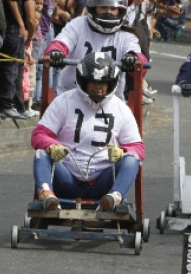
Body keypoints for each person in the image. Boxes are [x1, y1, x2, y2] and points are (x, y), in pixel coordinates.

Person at [30, 52, 144, 212]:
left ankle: (114, 196)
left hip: (103, 179)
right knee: (41, 154)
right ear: (83, 80)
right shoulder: (63, 101)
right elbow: (39, 134)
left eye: (103, 83)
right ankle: (47, 194)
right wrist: (52, 146)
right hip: (67, 176)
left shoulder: (121, 109)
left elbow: (138, 147)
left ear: (111, 83)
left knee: (132, 159)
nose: (98, 87)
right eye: (93, 82)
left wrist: (122, 151)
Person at [46, 0, 143, 98]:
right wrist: (56, 52)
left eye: (113, 9)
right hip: (72, 95)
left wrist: (132, 58)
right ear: (93, 7)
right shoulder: (78, 24)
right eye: (103, 8)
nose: (108, 12)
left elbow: (139, 61)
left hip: (111, 101)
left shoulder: (127, 35)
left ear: (120, 11)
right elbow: (62, 41)